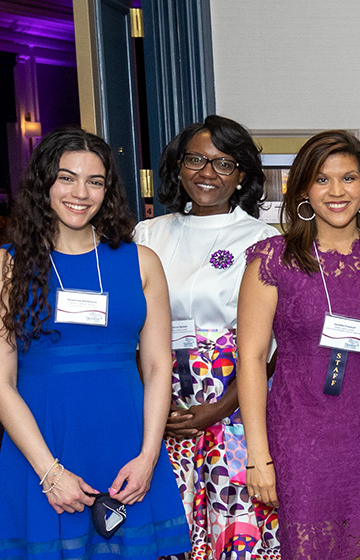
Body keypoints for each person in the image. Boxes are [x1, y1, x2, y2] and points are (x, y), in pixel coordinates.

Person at [0, 128, 191, 558]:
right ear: (44, 184)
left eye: (95, 181)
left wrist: (149, 456)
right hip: (41, 447)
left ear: (108, 190)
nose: (81, 193)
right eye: (67, 178)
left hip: (128, 444)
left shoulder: (141, 261)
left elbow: (156, 367)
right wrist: (49, 472)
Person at [234, 131, 360, 558]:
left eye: (348, 178)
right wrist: (258, 456)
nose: (337, 191)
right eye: (322, 179)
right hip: (302, 439)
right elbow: (252, 359)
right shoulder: (273, 259)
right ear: (304, 190)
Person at [131, 115, 282, 558]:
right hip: (161, 403)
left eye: (223, 163)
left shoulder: (260, 238)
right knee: (168, 528)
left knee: (236, 531)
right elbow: (133, 329)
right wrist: (158, 405)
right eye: (195, 159)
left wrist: (216, 409)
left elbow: (268, 348)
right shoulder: (149, 234)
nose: (207, 173)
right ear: (178, 166)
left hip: (234, 404)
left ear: (242, 177)